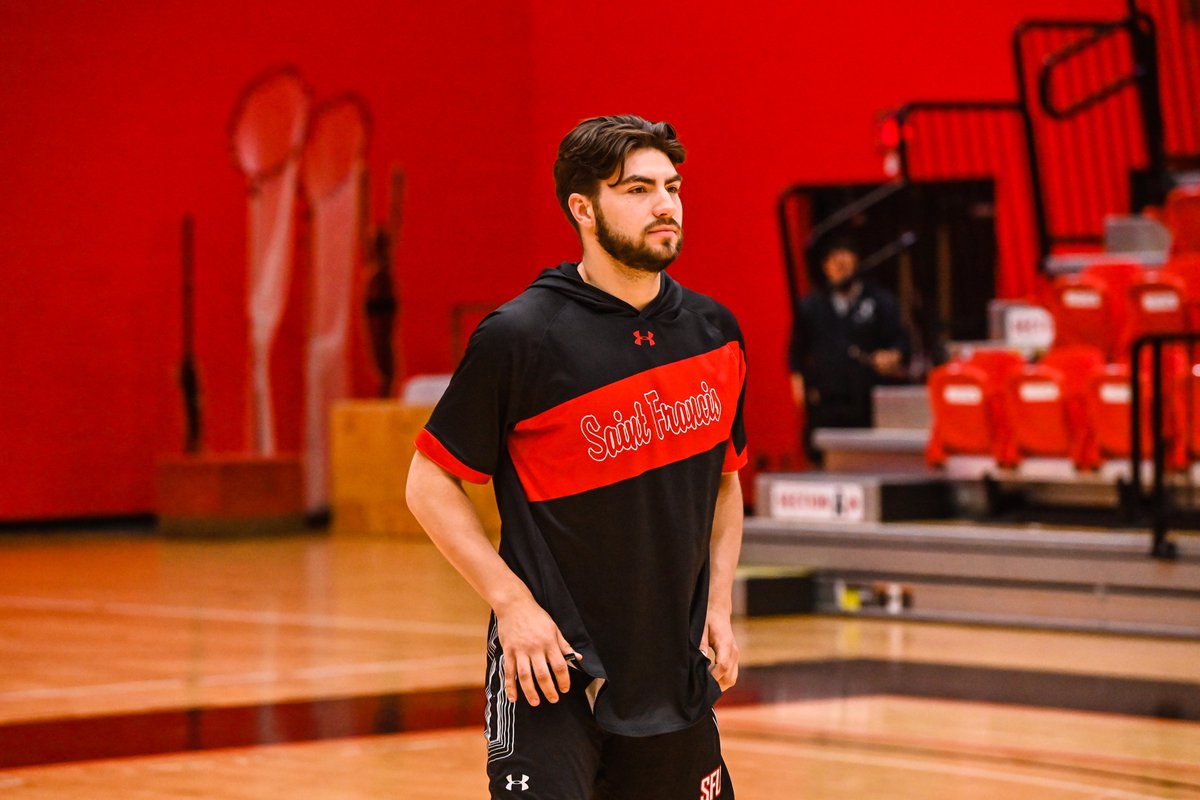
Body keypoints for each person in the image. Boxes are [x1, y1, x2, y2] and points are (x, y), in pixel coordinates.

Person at [406, 114, 746, 799]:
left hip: (671, 672)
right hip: (548, 671)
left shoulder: (715, 333)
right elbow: (429, 480)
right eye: (638, 189)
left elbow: (726, 484)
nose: (665, 206)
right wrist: (511, 605)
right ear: (582, 208)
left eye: (673, 188)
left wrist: (719, 598)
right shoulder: (521, 337)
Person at [788, 239, 909, 466]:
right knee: (821, 458)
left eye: (845, 256)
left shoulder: (880, 302)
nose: (840, 263)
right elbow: (796, 350)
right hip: (827, 402)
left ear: (857, 260)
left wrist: (893, 355)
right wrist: (797, 379)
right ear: (825, 266)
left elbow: (902, 343)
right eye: (833, 259)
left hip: (868, 402)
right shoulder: (811, 306)